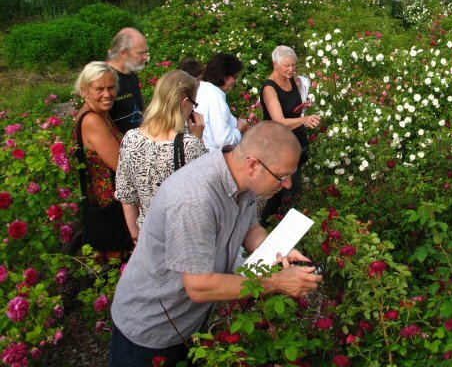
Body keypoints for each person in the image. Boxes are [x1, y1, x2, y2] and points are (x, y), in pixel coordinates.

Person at [108, 122, 322, 366]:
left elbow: (250, 228)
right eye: (282, 176)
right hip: (151, 330)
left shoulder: (241, 177)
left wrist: (278, 250)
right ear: (253, 165)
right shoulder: (195, 200)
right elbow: (199, 285)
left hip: (188, 323)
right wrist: (277, 283)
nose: (288, 185)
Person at [115, 70, 208, 243]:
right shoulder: (190, 145)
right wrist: (197, 138)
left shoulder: (130, 137)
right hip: (180, 238)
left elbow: (126, 196)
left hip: (147, 236)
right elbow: (204, 193)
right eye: (193, 104)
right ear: (184, 102)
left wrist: (136, 236)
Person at [71, 62, 132, 259]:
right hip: (109, 208)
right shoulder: (92, 120)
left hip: (105, 203)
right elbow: (123, 167)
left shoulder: (99, 114)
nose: (107, 94)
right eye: (99, 89)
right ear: (84, 90)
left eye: (111, 87)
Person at [259, 46, 321, 225]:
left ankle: (267, 224)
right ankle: (277, 227)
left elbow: (291, 109)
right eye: (287, 66)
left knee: (282, 189)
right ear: (275, 64)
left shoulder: (294, 81)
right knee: (291, 189)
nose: (291, 69)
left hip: (297, 143)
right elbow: (278, 120)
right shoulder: (269, 88)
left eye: (294, 66)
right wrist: (303, 120)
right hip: (279, 145)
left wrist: (302, 108)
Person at [196, 53, 249, 150]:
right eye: (235, 76)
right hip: (214, 158)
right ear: (224, 76)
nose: (235, 81)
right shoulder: (216, 99)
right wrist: (240, 129)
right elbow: (224, 141)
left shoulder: (201, 90)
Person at [106, 28, 149, 134]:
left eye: (146, 52)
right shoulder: (106, 79)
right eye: (140, 53)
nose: (146, 57)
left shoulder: (130, 74)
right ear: (123, 54)